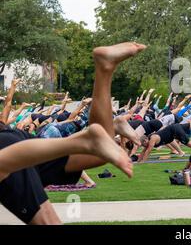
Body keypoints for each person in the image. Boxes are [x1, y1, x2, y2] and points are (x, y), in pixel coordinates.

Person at [0, 42, 146, 224]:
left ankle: (82, 141)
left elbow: (7, 105)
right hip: (15, 141)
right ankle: (105, 69)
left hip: (8, 148)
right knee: (97, 156)